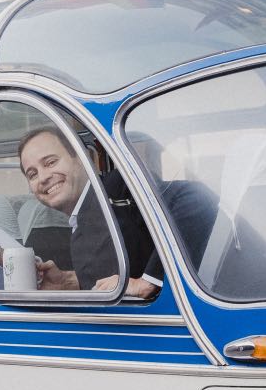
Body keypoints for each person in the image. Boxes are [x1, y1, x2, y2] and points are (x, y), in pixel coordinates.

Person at [16, 126, 159, 299]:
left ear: (81, 158)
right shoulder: (80, 219)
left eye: (51, 162)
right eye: (32, 174)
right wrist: (67, 283)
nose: (43, 177)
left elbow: (190, 197)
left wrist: (147, 283)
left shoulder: (116, 187)